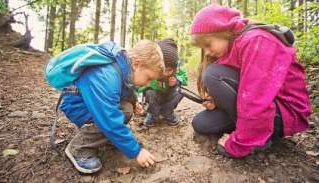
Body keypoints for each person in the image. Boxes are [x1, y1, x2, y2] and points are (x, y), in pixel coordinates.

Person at [189, 4, 311, 158]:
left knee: (212, 74)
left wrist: (239, 143)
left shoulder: (256, 41)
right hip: (263, 106)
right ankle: (251, 130)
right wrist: (217, 101)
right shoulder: (233, 47)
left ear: (224, 32)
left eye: (208, 44)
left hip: (285, 112)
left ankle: (256, 138)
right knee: (201, 123)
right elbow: (241, 87)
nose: (207, 52)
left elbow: (255, 98)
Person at [57, 40, 164, 173]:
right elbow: (109, 119)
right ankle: (79, 147)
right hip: (77, 106)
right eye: (148, 78)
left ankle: (104, 138)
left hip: (90, 104)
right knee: (116, 116)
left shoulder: (123, 67)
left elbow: (126, 87)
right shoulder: (106, 76)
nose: (148, 83)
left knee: (126, 109)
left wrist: (133, 101)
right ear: (137, 64)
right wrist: (136, 151)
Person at [138, 38, 188, 126]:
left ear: (175, 67)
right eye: (163, 69)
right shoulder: (152, 71)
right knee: (150, 91)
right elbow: (140, 86)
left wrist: (177, 80)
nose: (165, 73)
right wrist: (152, 83)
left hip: (169, 97)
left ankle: (167, 112)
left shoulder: (177, 70)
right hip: (155, 97)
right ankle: (152, 113)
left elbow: (185, 78)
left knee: (181, 91)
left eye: (169, 70)